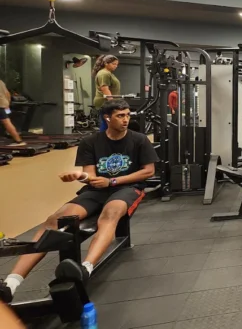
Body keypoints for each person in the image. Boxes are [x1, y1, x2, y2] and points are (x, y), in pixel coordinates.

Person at [0, 100, 159, 304]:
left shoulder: (139, 140)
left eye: (128, 115)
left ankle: (85, 268)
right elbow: (90, 175)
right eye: (121, 115)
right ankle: (11, 283)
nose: (126, 119)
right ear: (107, 118)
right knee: (55, 219)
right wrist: (80, 176)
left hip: (127, 188)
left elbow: (148, 171)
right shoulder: (90, 141)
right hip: (96, 189)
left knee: (110, 214)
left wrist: (112, 180)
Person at [93, 55, 120, 132]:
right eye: (113, 64)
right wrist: (112, 103)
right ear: (106, 63)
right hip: (105, 102)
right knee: (107, 123)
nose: (116, 66)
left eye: (117, 64)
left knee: (109, 123)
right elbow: (105, 89)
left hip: (107, 102)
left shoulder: (108, 73)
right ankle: (102, 141)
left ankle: (106, 141)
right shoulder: (104, 73)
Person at [0, 79, 24, 146]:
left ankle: (18, 141)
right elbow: (7, 93)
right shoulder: (1, 81)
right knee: (7, 122)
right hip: (4, 104)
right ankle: (18, 140)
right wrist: (8, 103)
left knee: (7, 122)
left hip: (0, 105)